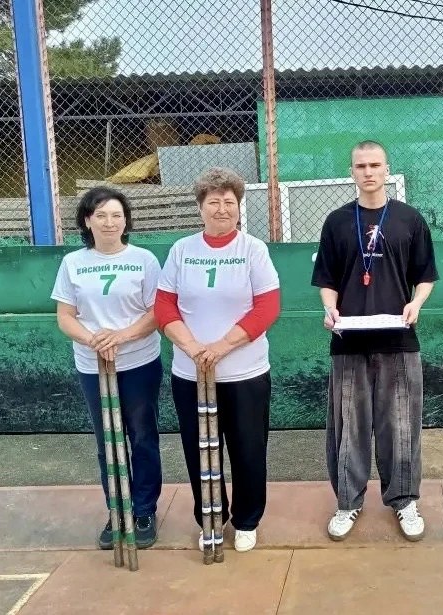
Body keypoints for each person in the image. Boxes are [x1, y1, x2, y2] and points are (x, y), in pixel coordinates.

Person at [311, 140, 439, 542]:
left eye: (375, 165)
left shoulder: (409, 219)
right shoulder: (336, 221)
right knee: (349, 426)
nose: (368, 172)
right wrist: (330, 309)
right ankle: (347, 501)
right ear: (352, 171)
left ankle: (404, 500)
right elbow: (327, 280)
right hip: (348, 341)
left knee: (400, 425)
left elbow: (425, 275)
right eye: (361, 166)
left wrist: (416, 303)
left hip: (399, 340)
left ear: (386, 169)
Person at [154, 167, 281, 552]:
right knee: (200, 451)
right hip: (190, 373)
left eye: (229, 202)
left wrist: (222, 346)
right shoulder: (182, 250)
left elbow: (267, 307)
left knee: (248, 450)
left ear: (239, 207)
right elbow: (164, 306)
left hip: (245, 373)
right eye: (213, 202)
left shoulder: (253, 249)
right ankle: (210, 517)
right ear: (200, 208)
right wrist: (193, 347)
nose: (222, 209)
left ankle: (246, 520)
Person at [51, 186, 163, 550]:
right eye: (101, 215)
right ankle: (117, 508)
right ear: (88, 221)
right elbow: (65, 317)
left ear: (126, 221)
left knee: (142, 436)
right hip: (92, 365)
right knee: (107, 440)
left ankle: (144, 510)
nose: (109, 222)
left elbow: (156, 313)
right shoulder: (73, 263)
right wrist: (93, 341)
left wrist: (121, 336)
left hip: (139, 361)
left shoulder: (144, 259)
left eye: (116, 215)